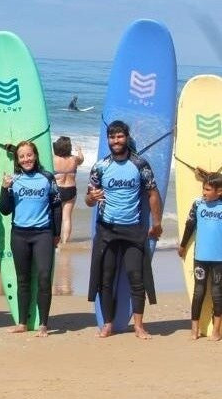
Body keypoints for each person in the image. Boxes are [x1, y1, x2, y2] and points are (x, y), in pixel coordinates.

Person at [85, 120, 162, 339]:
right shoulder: (100, 166)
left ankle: (138, 326)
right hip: (107, 229)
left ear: (126, 137)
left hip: (133, 229)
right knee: (106, 278)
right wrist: (91, 197)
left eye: (119, 136)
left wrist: (157, 223)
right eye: (112, 137)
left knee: (135, 277)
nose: (115, 140)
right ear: (108, 139)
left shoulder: (140, 164)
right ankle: (108, 323)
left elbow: (153, 193)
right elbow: (89, 199)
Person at [0, 141, 62, 337]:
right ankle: (22, 323)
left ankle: (43, 324)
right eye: (22, 156)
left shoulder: (47, 178)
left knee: (43, 278)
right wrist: (4, 188)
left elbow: (57, 206)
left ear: (35, 155)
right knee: (23, 279)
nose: (26, 159)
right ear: (17, 160)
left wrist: (56, 233)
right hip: (20, 235)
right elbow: (4, 209)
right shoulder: (14, 180)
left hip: (43, 233)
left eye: (29, 155)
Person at [178, 173, 222, 340]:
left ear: (219, 191)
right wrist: (183, 245)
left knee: (218, 293)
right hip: (201, 256)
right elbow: (190, 226)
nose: (204, 192)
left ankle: (216, 330)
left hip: (220, 258)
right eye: (203, 188)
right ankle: (194, 328)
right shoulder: (198, 204)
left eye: (208, 189)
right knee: (199, 292)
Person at [52, 136, 84, 248]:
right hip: (71, 190)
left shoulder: (53, 159)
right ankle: (65, 243)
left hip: (57, 190)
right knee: (66, 218)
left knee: (55, 217)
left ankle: (55, 241)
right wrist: (79, 150)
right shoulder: (74, 159)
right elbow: (82, 159)